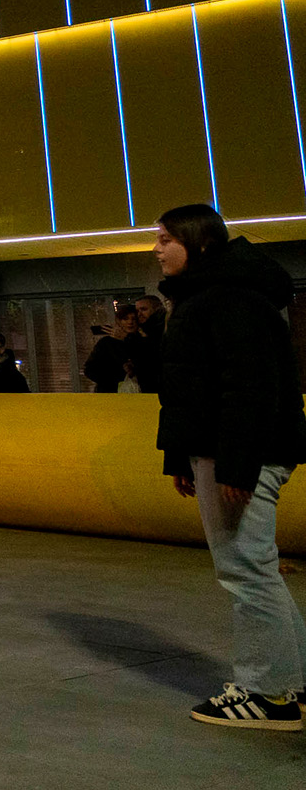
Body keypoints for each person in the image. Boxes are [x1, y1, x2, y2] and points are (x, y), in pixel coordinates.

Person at [151, 204, 306, 730]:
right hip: (222, 453)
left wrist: (236, 466)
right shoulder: (207, 296)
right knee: (256, 571)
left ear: (198, 243)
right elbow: (192, 391)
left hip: (242, 456)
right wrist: (182, 456)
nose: (157, 248)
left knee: (246, 572)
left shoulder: (231, 298)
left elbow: (250, 388)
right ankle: (293, 683)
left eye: (166, 239)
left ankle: (268, 695)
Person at [84, 305, 138, 393]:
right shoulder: (106, 343)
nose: (130, 322)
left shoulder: (143, 342)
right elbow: (90, 369)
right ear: (119, 321)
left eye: (134, 319)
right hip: (109, 391)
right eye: (125, 319)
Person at [132, 294, 167, 394]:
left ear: (156, 309)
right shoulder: (142, 330)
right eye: (137, 311)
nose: (139, 314)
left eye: (143, 309)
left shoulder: (160, 330)